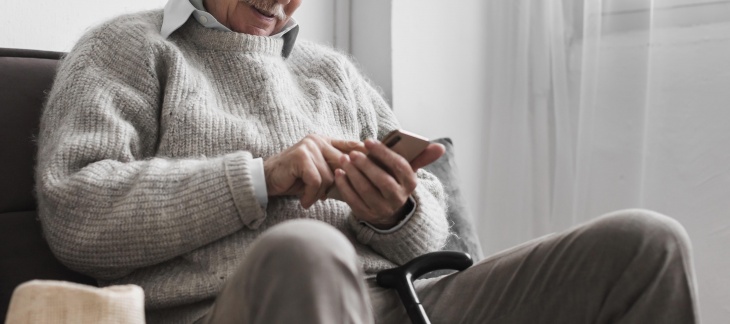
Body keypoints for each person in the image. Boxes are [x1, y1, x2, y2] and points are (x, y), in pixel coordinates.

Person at [35, 0, 700, 323]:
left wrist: (398, 212)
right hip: (256, 305)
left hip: (411, 302)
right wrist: (260, 178)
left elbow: (430, 222)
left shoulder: (333, 74)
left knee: (648, 244)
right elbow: (76, 212)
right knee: (306, 248)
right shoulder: (129, 50)